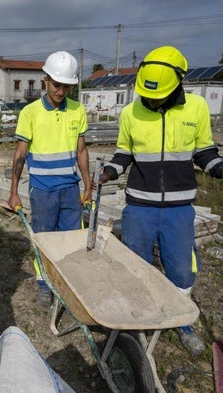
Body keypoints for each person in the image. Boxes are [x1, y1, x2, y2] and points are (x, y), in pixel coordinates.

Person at [99, 46, 223, 356]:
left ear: (178, 83)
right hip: (139, 207)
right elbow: (124, 152)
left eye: (156, 96)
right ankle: (136, 320)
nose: (150, 100)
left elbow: (204, 152)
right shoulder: (131, 112)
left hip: (179, 210)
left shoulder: (196, 108)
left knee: (182, 271)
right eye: (146, 95)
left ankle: (180, 322)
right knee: (134, 266)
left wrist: (218, 167)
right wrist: (110, 170)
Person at [8, 51, 91, 307]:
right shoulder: (30, 113)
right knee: (45, 238)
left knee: (70, 238)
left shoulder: (77, 110)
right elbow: (20, 154)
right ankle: (45, 282)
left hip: (69, 188)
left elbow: (81, 150)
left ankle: (65, 282)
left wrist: (88, 185)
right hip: (42, 191)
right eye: (57, 84)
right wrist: (13, 191)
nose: (61, 91)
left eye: (66, 86)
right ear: (45, 80)